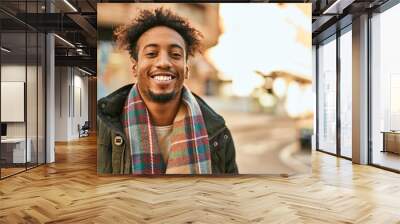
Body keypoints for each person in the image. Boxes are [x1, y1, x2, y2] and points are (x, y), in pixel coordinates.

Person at [97, 8, 238, 175]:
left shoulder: (218, 133)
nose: (163, 62)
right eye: (151, 53)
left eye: (175, 54)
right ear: (135, 67)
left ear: (186, 69)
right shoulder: (101, 126)